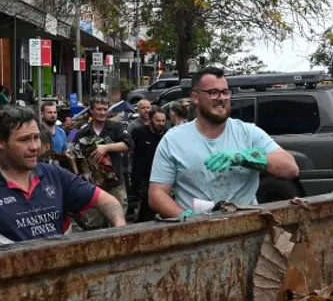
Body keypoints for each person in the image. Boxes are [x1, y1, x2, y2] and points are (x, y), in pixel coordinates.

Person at [0, 106, 125, 252]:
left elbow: (106, 200)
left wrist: (119, 230)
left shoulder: (54, 175)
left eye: (36, 138)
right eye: (24, 140)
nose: (35, 147)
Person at [148, 67, 299, 218]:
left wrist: (245, 157)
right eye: (213, 92)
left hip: (246, 228)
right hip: (196, 233)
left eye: (225, 92)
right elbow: (157, 194)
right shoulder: (174, 139)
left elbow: (290, 168)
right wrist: (188, 219)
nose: (222, 98)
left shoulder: (248, 133)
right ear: (195, 97)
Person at [72, 92, 134, 223]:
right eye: (99, 109)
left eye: (105, 109)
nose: (102, 112)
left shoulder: (116, 127)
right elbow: (76, 156)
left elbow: (129, 145)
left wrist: (106, 147)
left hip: (115, 183)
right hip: (93, 186)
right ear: (91, 110)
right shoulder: (83, 132)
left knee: (118, 220)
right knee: (93, 222)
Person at [130, 107, 167, 221]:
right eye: (157, 121)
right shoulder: (139, 133)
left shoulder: (168, 135)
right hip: (142, 180)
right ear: (150, 120)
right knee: (145, 213)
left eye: (163, 121)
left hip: (162, 178)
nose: (161, 124)